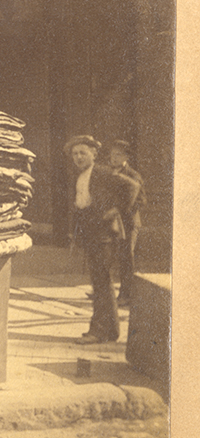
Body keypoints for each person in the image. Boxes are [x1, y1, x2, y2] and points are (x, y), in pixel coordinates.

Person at [65, 135, 141, 344]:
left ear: (94, 154)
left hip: (104, 236)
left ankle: (98, 331)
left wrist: (117, 209)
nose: (78, 157)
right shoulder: (81, 175)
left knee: (101, 283)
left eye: (83, 152)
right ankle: (110, 331)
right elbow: (81, 205)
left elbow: (133, 187)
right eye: (75, 153)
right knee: (101, 283)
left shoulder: (102, 172)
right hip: (91, 234)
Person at [108, 140, 146, 305]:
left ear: (126, 157)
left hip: (128, 223)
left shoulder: (133, 175)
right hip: (110, 222)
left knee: (126, 257)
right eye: (112, 155)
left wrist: (123, 211)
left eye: (118, 155)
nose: (114, 158)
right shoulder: (107, 173)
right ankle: (105, 293)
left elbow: (142, 201)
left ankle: (126, 295)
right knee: (107, 256)